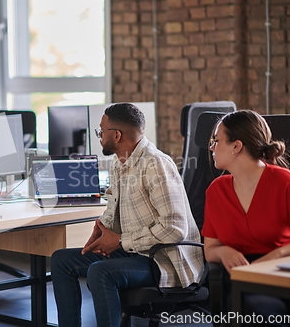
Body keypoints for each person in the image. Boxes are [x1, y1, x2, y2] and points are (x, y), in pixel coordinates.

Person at [51, 103, 204, 327]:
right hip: (134, 252)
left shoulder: (155, 164)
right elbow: (115, 206)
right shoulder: (118, 162)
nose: (99, 136)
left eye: (101, 131)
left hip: (163, 261)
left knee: (100, 272)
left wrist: (121, 240)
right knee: (60, 260)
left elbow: (174, 229)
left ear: (116, 134)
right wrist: (103, 227)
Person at [203, 110, 290, 324]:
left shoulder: (285, 182)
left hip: (283, 271)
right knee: (261, 309)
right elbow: (210, 250)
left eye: (216, 141)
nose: (211, 147)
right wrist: (224, 251)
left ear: (237, 146)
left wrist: (277, 254)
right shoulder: (216, 190)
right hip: (243, 277)